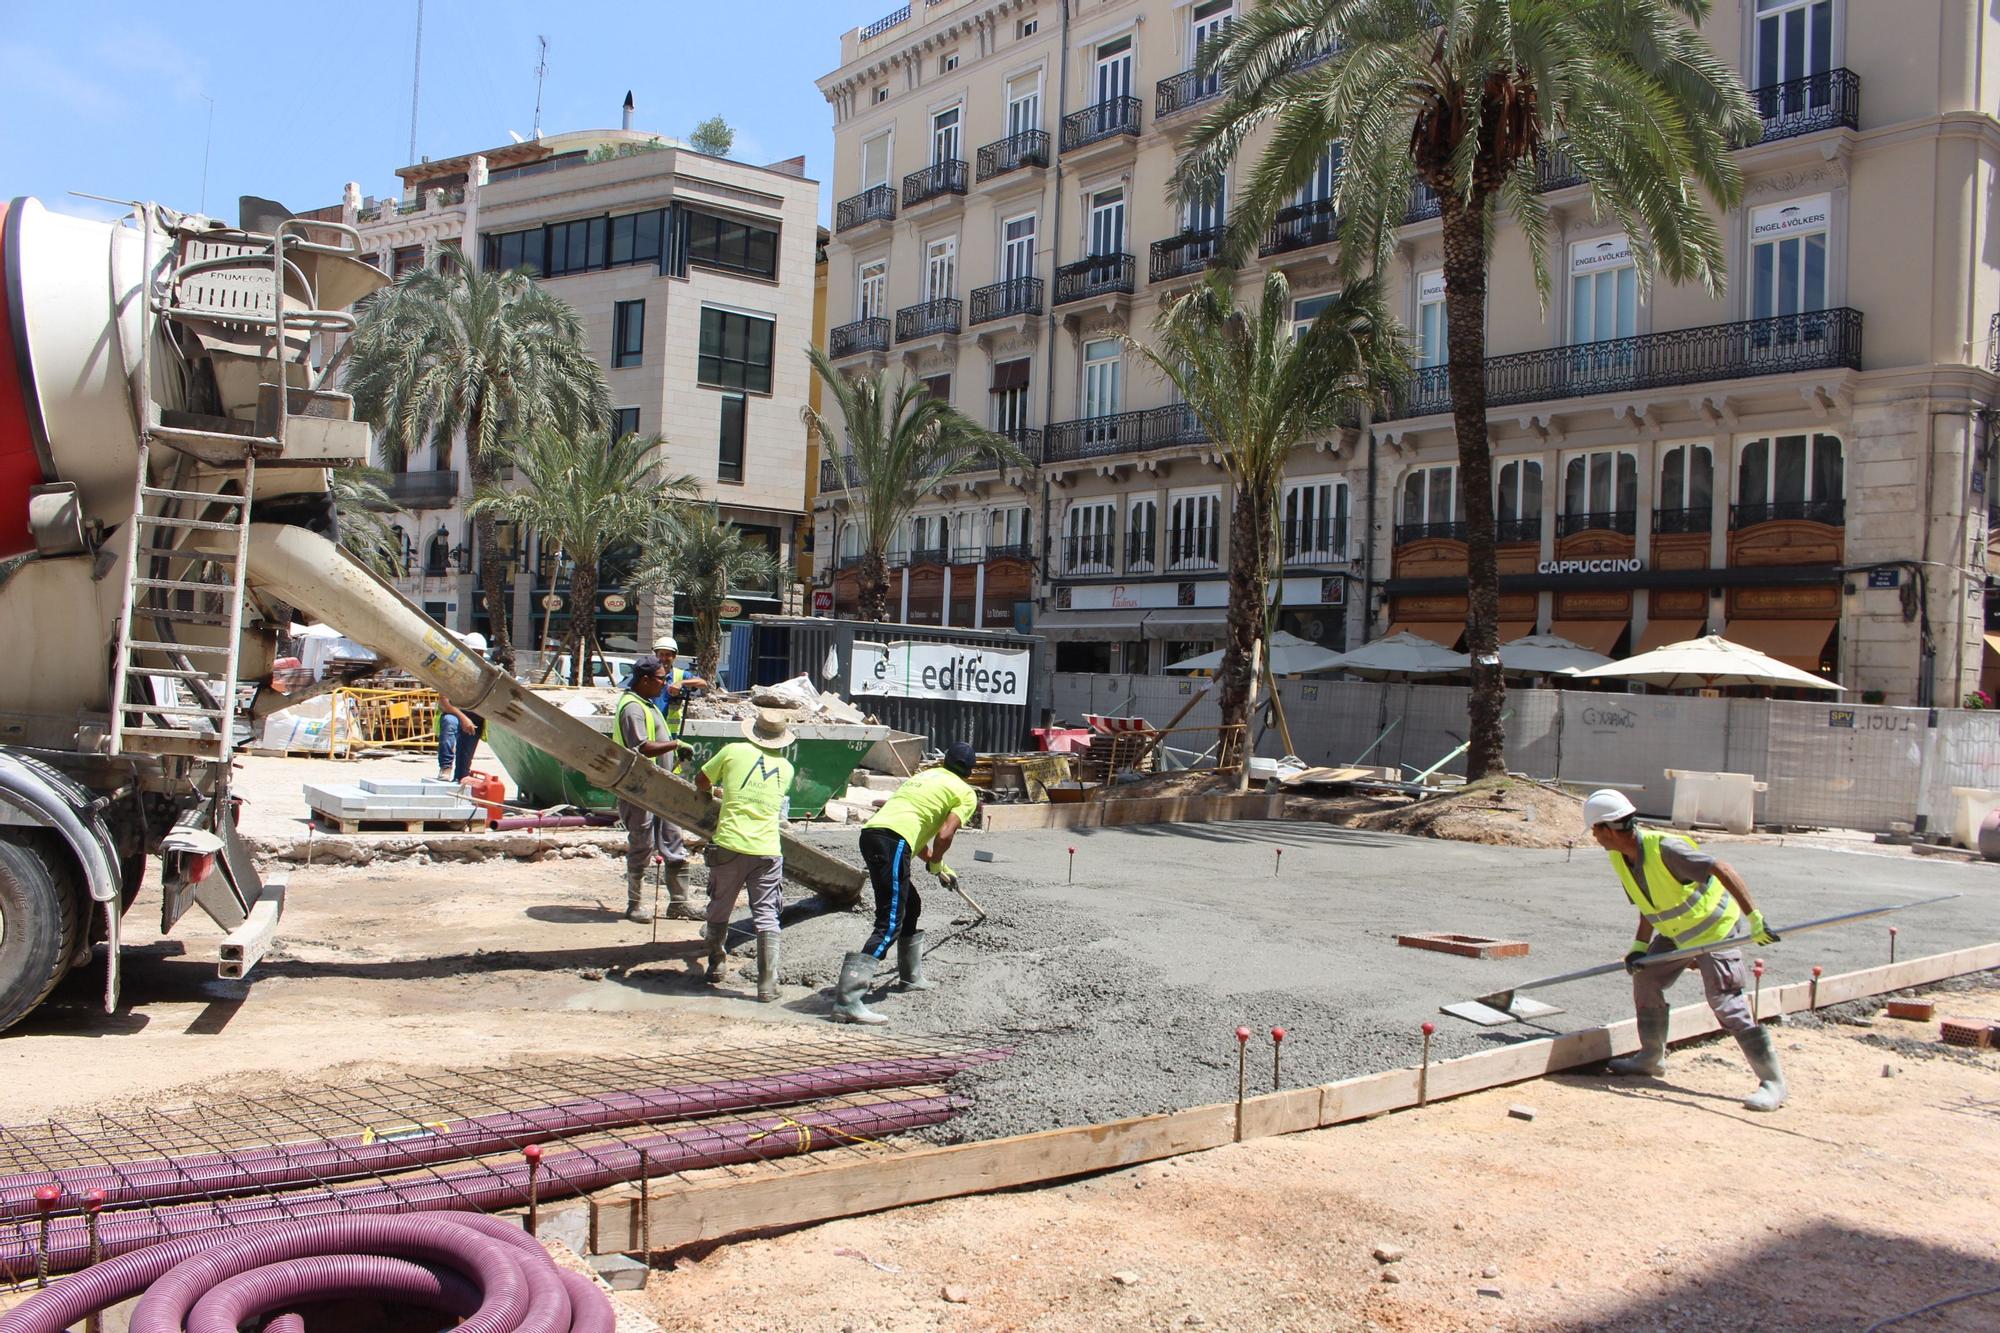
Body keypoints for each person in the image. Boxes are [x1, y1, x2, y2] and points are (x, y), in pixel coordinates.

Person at [1582, 789, 1787, 1111]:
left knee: (1726, 1003)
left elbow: (1722, 868)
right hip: (1675, 934)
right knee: (1646, 979)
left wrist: (1755, 918)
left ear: (1608, 827)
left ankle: (1772, 1083)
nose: (1594, 837)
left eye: (1595, 829)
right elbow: (1649, 904)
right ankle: (1651, 1058)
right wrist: (1639, 946)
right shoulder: (1621, 857)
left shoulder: (1665, 848)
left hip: (1714, 931)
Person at [831, 740, 980, 1025]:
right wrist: (936, 861)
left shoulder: (925, 777)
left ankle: (910, 977)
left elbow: (916, 833)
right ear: (970, 772)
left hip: (874, 834)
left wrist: (936, 864)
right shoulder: (965, 793)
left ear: (944, 761)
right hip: (893, 840)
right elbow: (945, 834)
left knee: (911, 905)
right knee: (889, 922)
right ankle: (847, 1001)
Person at [694, 709, 796, 1003]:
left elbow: (701, 780)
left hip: (729, 844)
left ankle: (716, 963)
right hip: (767, 850)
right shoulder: (786, 768)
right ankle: (766, 986)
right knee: (766, 914)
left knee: (720, 906)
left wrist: (717, 790)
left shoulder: (732, 751)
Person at [614, 656, 700, 923]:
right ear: (645, 679)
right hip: (640, 789)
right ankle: (635, 904)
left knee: (673, 840)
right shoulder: (632, 708)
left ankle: (678, 904)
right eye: (662, 678)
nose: (665, 683)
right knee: (642, 844)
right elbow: (640, 747)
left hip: (660, 788)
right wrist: (674, 745)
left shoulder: (647, 705)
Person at [435, 632, 489, 783]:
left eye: (480, 653)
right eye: (474, 652)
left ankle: (460, 777)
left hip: (475, 720)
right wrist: (464, 719)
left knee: (463, 774)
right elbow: (444, 702)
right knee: (449, 723)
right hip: (455, 715)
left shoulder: (485, 674)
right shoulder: (451, 670)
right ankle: (445, 767)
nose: (477, 656)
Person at [649, 634, 710, 736]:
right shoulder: (649, 674)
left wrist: (681, 683)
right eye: (661, 654)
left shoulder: (680, 675)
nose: (664, 658)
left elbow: (703, 683)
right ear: (656, 655)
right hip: (651, 727)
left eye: (668, 655)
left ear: (674, 657)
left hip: (670, 731)